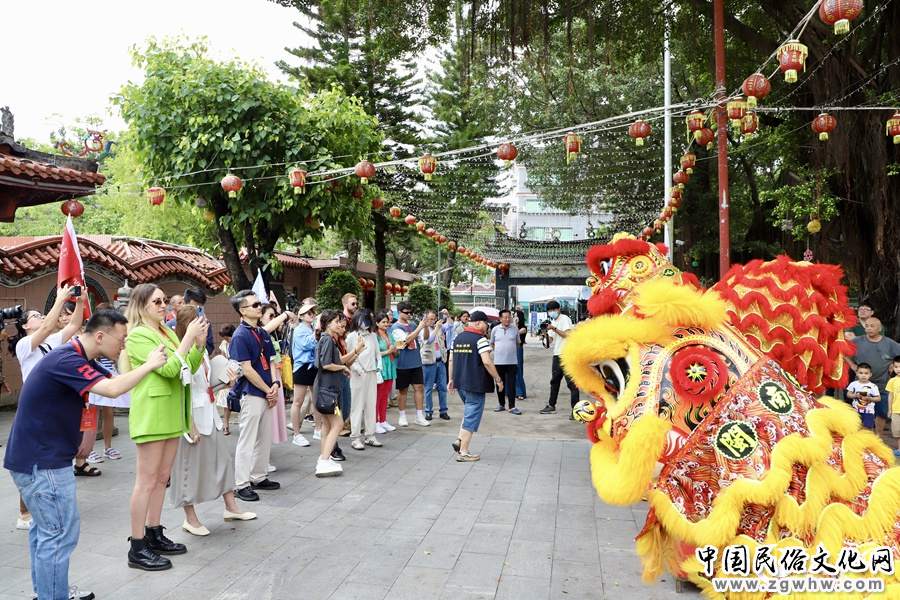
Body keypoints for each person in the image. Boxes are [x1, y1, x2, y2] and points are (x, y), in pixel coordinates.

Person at [5, 309, 167, 598]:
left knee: (47, 533)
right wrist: (151, 365)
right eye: (122, 339)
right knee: (58, 534)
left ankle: (50, 593)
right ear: (101, 335)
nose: (124, 345)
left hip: (40, 458)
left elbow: (120, 389)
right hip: (42, 462)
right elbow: (113, 388)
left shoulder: (80, 357)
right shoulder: (67, 358)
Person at [124, 283, 207, 570]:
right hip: (152, 413)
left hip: (172, 412)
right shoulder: (137, 336)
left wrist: (198, 344)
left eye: (163, 301)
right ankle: (137, 546)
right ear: (142, 306)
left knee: (161, 479)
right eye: (156, 301)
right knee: (146, 482)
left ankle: (154, 532)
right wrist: (186, 343)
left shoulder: (166, 332)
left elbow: (188, 368)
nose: (163, 305)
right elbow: (170, 369)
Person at [167, 305, 256, 536]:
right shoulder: (180, 350)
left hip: (209, 413)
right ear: (189, 326)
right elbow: (180, 387)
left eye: (206, 321)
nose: (207, 326)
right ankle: (190, 518)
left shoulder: (202, 350)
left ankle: (231, 507)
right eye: (202, 322)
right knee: (188, 468)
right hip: (192, 416)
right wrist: (189, 422)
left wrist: (222, 383)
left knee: (223, 461)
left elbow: (203, 385)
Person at [13, 286, 87, 533]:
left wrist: (80, 302)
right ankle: (25, 512)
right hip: (33, 409)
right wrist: (59, 299)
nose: (41, 318)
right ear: (24, 326)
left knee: (46, 458)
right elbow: (47, 327)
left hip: (53, 406)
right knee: (30, 460)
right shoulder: (25, 344)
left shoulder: (51, 342)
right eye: (35, 316)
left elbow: (73, 324)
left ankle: (44, 504)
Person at [229, 291, 281, 502]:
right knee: (247, 439)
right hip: (250, 392)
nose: (260, 307)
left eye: (259, 304)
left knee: (264, 437)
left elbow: (271, 361)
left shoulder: (262, 332)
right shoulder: (240, 335)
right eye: (254, 305)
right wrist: (268, 389)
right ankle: (241, 484)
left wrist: (275, 383)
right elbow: (247, 370)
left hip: (266, 391)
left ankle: (259, 476)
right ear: (242, 310)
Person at [447, 310, 504, 462]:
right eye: (486, 324)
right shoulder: (480, 339)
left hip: (461, 384)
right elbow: (487, 361)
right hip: (475, 384)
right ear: (479, 323)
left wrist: (451, 379)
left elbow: (451, 360)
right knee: (472, 416)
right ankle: (464, 452)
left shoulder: (457, 338)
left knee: (468, 412)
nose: (487, 327)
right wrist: (498, 379)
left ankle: (460, 439)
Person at [87, 302, 130, 462]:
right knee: (91, 413)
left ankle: (107, 447)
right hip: (94, 377)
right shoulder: (94, 338)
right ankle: (87, 449)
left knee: (108, 413)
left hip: (108, 373)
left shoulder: (114, 339)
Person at [314, 310, 353, 476]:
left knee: (327, 425)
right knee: (337, 424)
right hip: (329, 389)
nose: (340, 325)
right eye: (337, 321)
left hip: (324, 388)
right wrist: (343, 367)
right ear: (328, 323)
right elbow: (326, 364)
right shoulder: (328, 339)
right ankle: (324, 461)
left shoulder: (325, 338)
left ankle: (325, 457)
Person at [847, 317, 900, 437]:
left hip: (882, 384)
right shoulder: (857, 341)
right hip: (861, 386)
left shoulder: (889, 343)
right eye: (867, 326)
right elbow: (843, 352)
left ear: (880, 328)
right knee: (861, 411)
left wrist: (894, 365)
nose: (869, 329)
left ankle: (878, 437)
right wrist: (852, 364)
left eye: (872, 326)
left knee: (881, 412)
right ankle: (863, 437)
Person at [260, 303, 296, 464]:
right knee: (265, 420)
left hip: (275, 377)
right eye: (270, 315)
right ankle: (261, 461)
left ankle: (264, 459)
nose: (274, 320)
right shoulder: (259, 332)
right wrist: (285, 315)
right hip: (266, 378)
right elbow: (266, 329)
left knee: (272, 418)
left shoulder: (272, 335)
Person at [345, 309, 382, 450]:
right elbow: (349, 357)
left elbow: (378, 353)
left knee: (371, 405)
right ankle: (355, 437)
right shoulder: (352, 337)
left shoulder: (372, 336)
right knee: (357, 406)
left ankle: (370, 435)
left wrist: (379, 366)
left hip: (372, 372)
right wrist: (357, 369)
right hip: (358, 374)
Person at [389, 301, 430, 427]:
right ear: (399, 312)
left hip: (416, 362)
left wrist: (426, 326)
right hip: (402, 363)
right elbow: (405, 340)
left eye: (410, 312)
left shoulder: (413, 324)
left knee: (419, 388)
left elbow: (425, 338)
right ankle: (402, 416)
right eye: (406, 312)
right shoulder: (396, 327)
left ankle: (419, 416)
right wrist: (419, 328)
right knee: (403, 390)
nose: (409, 315)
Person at [539, 300, 580, 416]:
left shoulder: (564, 319)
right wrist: (545, 333)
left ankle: (575, 409)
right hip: (557, 355)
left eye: (554, 309)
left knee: (571, 383)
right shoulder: (552, 322)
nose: (552, 312)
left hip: (567, 354)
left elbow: (568, 334)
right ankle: (551, 405)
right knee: (554, 382)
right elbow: (550, 342)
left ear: (559, 309)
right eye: (550, 310)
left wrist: (554, 328)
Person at [290, 302, 318, 446]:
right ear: (301, 316)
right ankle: (296, 433)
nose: (312, 314)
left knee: (316, 399)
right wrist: (316, 332)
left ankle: (318, 429)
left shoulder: (312, 328)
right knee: (298, 401)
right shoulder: (300, 330)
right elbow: (308, 344)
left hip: (313, 366)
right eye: (309, 313)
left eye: (313, 312)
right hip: (302, 366)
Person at [490, 309, 522, 414]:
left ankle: (512, 406)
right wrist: (501, 351)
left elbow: (518, 344)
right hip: (499, 362)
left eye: (509, 317)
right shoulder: (495, 329)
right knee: (500, 383)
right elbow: (492, 344)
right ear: (500, 319)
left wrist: (509, 351)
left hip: (512, 362)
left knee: (511, 384)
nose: (507, 319)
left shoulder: (515, 329)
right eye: (505, 317)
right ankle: (501, 404)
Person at [420, 310, 450, 420]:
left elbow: (450, 325)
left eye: (434, 319)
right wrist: (436, 328)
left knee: (442, 387)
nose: (433, 321)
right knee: (428, 388)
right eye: (430, 319)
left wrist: (447, 315)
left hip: (440, 361)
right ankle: (428, 411)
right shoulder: (423, 329)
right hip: (429, 363)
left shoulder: (439, 328)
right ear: (425, 319)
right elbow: (427, 340)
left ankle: (443, 410)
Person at [166, 287, 214, 354]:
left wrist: (202, 340)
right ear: (184, 303)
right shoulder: (171, 324)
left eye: (199, 309)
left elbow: (210, 350)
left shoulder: (205, 323)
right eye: (193, 307)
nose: (195, 312)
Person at [374, 310, 398, 434]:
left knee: (385, 396)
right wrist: (389, 351)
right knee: (378, 396)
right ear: (377, 323)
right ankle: (376, 421)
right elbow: (375, 353)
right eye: (383, 322)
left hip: (390, 366)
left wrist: (395, 350)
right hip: (380, 367)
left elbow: (396, 352)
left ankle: (383, 420)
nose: (386, 324)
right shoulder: (375, 336)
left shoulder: (390, 336)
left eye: (387, 322)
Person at [338, 293, 359, 432]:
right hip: (341, 366)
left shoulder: (355, 320)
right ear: (345, 304)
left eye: (356, 303)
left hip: (351, 363)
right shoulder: (339, 319)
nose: (355, 306)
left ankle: (347, 422)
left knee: (348, 400)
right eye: (353, 304)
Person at [846, 363, 880, 431]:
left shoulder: (873, 386)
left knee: (868, 427)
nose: (863, 375)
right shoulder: (853, 384)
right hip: (855, 410)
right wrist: (855, 395)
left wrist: (869, 398)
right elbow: (848, 394)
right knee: (855, 426)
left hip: (868, 411)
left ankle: (868, 439)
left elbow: (878, 398)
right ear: (857, 373)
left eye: (866, 373)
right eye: (861, 373)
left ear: (870, 374)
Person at [217, 324, 236, 435]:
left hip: (238, 371)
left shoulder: (238, 342)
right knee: (226, 400)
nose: (226, 340)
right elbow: (223, 359)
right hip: (228, 372)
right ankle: (226, 424)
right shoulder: (224, 344)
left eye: (227, 338)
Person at [885, 357, 900, 457]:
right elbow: (890, 395)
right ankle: (899, 449)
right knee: (897, 431)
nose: (898, 369)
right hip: (895, 410)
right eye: (896, 367)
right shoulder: (892, 381)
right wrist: (890, 409)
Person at [513, 305, 528, 402]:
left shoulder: (523, 328)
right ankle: (512, 390)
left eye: (515, 316)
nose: (514, 318)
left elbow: (514, 334)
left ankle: (520, 392)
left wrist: (515, 324)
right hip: (511, 349)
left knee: (518, 369)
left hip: (518, 348)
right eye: (513, 316)